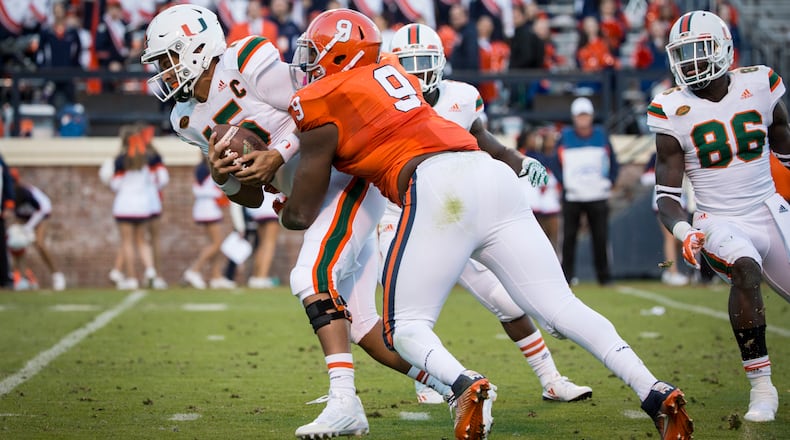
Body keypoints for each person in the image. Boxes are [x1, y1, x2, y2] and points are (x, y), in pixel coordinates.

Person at [281, 9, 692, 440]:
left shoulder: (320, 98)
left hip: (438, 188)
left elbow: (302, 214)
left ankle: (464, 385)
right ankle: (654, 390)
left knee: (405, 329)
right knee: (562, 307)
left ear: (338, 56)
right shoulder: (390, 72)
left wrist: (275, 193)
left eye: (313, 52)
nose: (307, 62)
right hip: (491, 176)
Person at [141, 6, 451, 439]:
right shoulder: (184, 119)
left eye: (168, 59)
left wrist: (278, 154)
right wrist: (222, 176)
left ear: (196, 48)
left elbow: (319, 104)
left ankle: (345, 401)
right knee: (362, 324)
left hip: (343, 175)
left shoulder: (245, 59)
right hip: (311, 196)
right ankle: (459, 386)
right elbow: (249, 195)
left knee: (309, 276)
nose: (164, 73)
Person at [384, 23, 592, 407]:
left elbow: (484, 141)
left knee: (509, 303)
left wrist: (519, 160)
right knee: (411, 315)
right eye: (408, 63)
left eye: (424, 62)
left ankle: (550, 378)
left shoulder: (461, 97)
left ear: (440, 63)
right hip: (406, 218)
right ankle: (430, 380)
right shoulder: (380, 103)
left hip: (460, 216)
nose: (416, 72)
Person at [649, 10, 790, 423]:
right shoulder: (671, 108)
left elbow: (783, 142)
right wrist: (685, 230)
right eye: (683, 54)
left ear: (725, 47)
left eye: (700, 50)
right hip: (718, 219)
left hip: (769, 208)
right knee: (744, 269)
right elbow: (667, 196)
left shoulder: (760, 83)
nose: (691, 62)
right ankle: (762, 386)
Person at [554, 97, 619, 286]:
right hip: (573, 195)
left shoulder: (601, 135)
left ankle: (604, 276)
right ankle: (566, 277)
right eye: (579, 116)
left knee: (600, 237)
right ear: (574, 118)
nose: (583, 120)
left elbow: (613, 161)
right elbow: (555, 164)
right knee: (569, 238)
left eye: (585, 116)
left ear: (591, 117)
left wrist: (610, 181)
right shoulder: (565, 136)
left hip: (597, 195)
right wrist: (565, 183)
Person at [110, 125, 157, 290]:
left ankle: (132, 278)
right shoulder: (147, 157)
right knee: (142, 241)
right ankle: (150, 270)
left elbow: (115, 184)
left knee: (127, 243)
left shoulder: (121, 160)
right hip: (142, 206)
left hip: (124, 205)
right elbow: (153, 180)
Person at [184, 158, 236, 290]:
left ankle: (216, 276)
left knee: (215, 243)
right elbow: (198, 189)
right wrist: (219, 193)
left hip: (210, 209)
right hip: (208, 210)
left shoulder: (208, 167)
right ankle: (194, 271)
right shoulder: (204, 169)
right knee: (216, 243)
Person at [9, 168, 65, 291]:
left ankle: (57, 275)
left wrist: (28, 228)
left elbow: (40, 210)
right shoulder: (7, 193)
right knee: (16, 244)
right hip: (24, 216)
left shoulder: (24, 192)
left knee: (39, 244)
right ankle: (21, 278)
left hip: (41, 213)